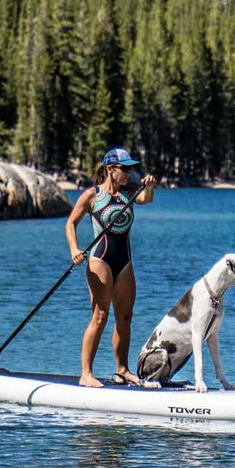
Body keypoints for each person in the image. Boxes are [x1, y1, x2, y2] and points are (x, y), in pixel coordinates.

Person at [65, 147, 156, 387]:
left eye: (131, 169)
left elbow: (147, 198)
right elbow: (71, 224)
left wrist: (149, 185)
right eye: (124, 168)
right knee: (100, 316)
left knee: (125, 317)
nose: (128, 173)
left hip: (124, 262)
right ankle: (86, 374)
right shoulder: (92, 195)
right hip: (99, 260)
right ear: (109, 169)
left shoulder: (130, 193)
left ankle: (122, 370)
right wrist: (75, 250)